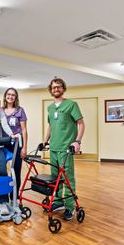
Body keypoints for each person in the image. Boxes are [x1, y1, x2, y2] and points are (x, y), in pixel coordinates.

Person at [43, 78, 85, 221]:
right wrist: (45, 141)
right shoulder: (50, 108)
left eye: (59, 87)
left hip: (66, 149)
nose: (56, 89)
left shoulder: (71, 105)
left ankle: (70, 206)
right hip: (53, 148)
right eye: (54, 87)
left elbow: (81, 124)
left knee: (67, 179)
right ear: (51, 90)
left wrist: (77, 141)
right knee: (55, 178)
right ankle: (58, 202)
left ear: (63, 88)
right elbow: (50, 126)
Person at [1, 88, 28, 202]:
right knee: (1, 171)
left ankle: (14, 196)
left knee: (16, 170)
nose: (10, 97)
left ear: (16, 97)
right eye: (8, 94)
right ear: (5, 96)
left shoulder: (20, 110)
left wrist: (25, 147)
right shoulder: (0, 110)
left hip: (17, 144)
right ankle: (1, 196)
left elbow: (24, 129)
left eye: (13, 95)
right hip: (2, 143)